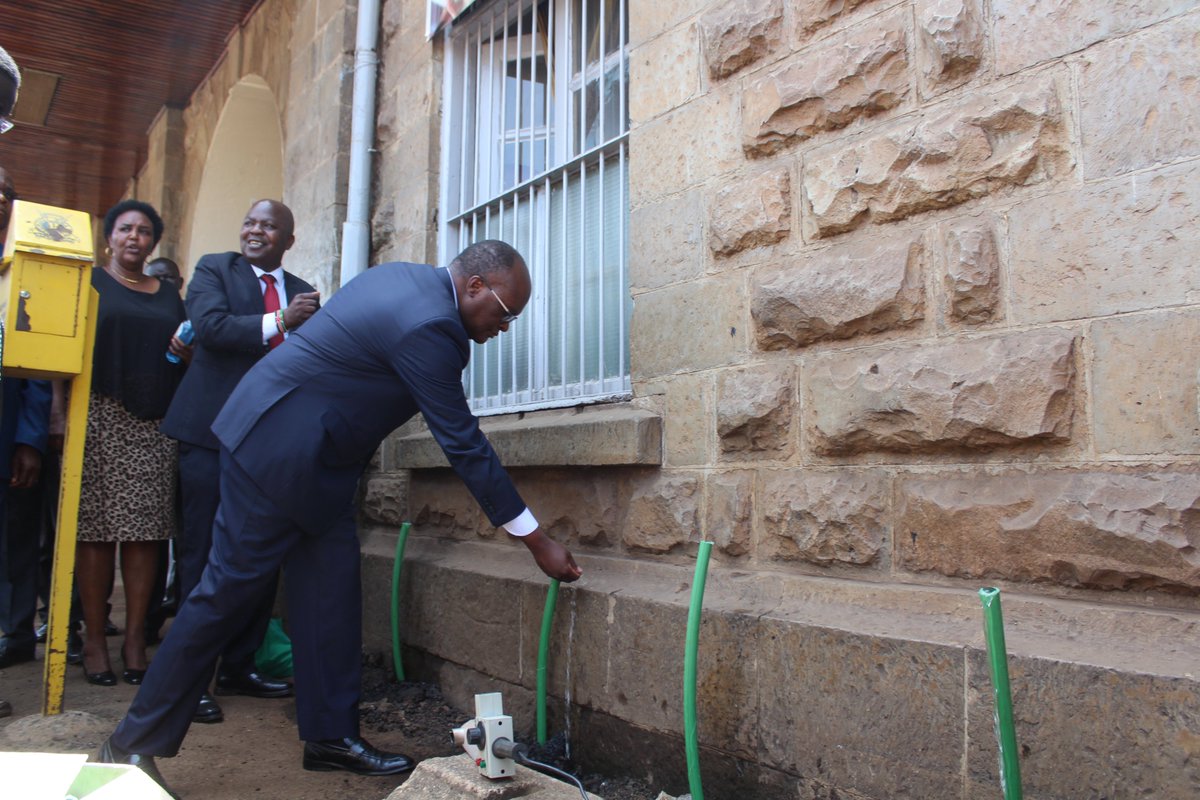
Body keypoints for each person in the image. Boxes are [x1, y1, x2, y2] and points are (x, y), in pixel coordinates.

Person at [98, 240, 581, 795]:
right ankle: (129, 744)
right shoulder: (431, 325)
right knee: (222, 596)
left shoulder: (406, 278)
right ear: (475, 287)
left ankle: (329, 737)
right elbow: (463, 443)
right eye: (506, 311)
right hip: (275, 454)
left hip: (318, 462)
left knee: (330, 597)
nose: (506, 325)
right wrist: (535, 538)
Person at [160, 199, 319, 725]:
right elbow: (210, 328)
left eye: (268, 225)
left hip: (267, 441)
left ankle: (239, 665)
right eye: (250, 221)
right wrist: (281, 320)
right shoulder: (214, 268)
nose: (255, 230)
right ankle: (191, 679)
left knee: (257, 554)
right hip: (208, 433)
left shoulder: (303, 290)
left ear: (288, 239)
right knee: (202, 553)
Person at [76, 200, 189, 688]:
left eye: (144, 231)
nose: (134, 238)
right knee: (96, 533)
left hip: (153, 423)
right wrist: (61, 416)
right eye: (125, 229)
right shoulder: (90, 283)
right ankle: (95, 638)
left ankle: (136, 639)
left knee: (147, 534)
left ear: (153, 242)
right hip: (98, 416)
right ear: (109, 237)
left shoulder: (168, 295)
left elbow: (182, 349)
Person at [0, 162, 54, 675]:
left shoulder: (24, 269)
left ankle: (15, 633)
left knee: (16, 538)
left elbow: (37, 362)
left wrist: (30, 440)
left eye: (6, 191)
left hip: (8, 429)